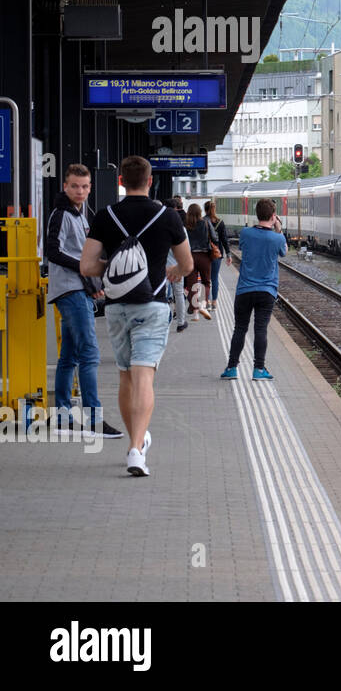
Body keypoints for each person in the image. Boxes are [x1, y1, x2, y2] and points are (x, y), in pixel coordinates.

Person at [81, 156, 191, 477]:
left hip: (116, 307)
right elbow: (186, 265)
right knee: (144, 377)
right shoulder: (167, 215)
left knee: (126, 376)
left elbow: (87, 266)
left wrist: (118, 270)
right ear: (150, 179)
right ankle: (135, 449)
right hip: (153, 304)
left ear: (122, 182)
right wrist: (168, 271)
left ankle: (136, 443)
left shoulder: (106, 215)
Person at [45, 164, 121, 438]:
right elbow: (52, 251)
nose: (80, 191)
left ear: (90, 188)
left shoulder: (79, 215)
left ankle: (63, 417)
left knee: (70, 357)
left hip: (76, 289)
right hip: (70, 290)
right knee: (90, 354)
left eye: (85, 186)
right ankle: (93, 419)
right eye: (75, 186)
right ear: (65, 186)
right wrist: (84, 271)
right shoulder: (61, 214)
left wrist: (90, 278)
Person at [222, 200, 288, 380]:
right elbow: (284, 252)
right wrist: (279, 229)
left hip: (244, 289)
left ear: (256, 214)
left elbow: (243, 247)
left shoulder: (245, 233)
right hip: (267, 291)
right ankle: (259, 370)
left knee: (240, 328)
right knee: (261, 329)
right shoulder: (278, 238)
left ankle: (231, 368)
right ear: (273, 216)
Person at [183, 203, 216, 320]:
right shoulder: (206, 223)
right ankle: (203, 305)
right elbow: (214, 238)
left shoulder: (185, 225)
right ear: (200, 212)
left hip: (190, 256)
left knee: (191, 285)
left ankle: (196, 313)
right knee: (206, 282)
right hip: (204, 256)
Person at [165, 198, 189, 331]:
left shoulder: (159, 226)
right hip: (178, 267)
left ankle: (165, 323)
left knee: (163, 296)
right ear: (176, 210)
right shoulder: (181, 229)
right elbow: (187, 251)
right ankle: (181, 323)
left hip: (163, 268)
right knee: (179, 294)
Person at [204, 200, 231, 310]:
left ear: (205, 209)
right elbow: (224, 239)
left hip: (205, 253)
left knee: (206, 279)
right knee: (214, 278)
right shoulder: (220, 222)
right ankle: (214, 302)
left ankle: (208, 301)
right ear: (215, 209)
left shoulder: (202, 221)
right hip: (217, 253)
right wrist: (228, 254)